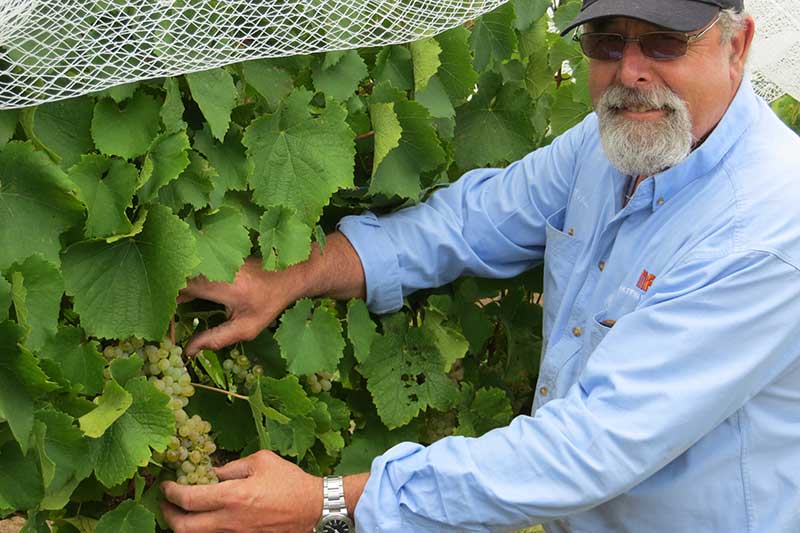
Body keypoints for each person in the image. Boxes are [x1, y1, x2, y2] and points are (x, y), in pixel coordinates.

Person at [160, 0, 800, 531]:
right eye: (606, 42)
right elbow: (472, 220)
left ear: (737, 44)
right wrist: (289, 276)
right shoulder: (616, 142)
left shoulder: (765, 231)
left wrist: (327, 503)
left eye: (664, 43)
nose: (629, 70)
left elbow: (590, 449)